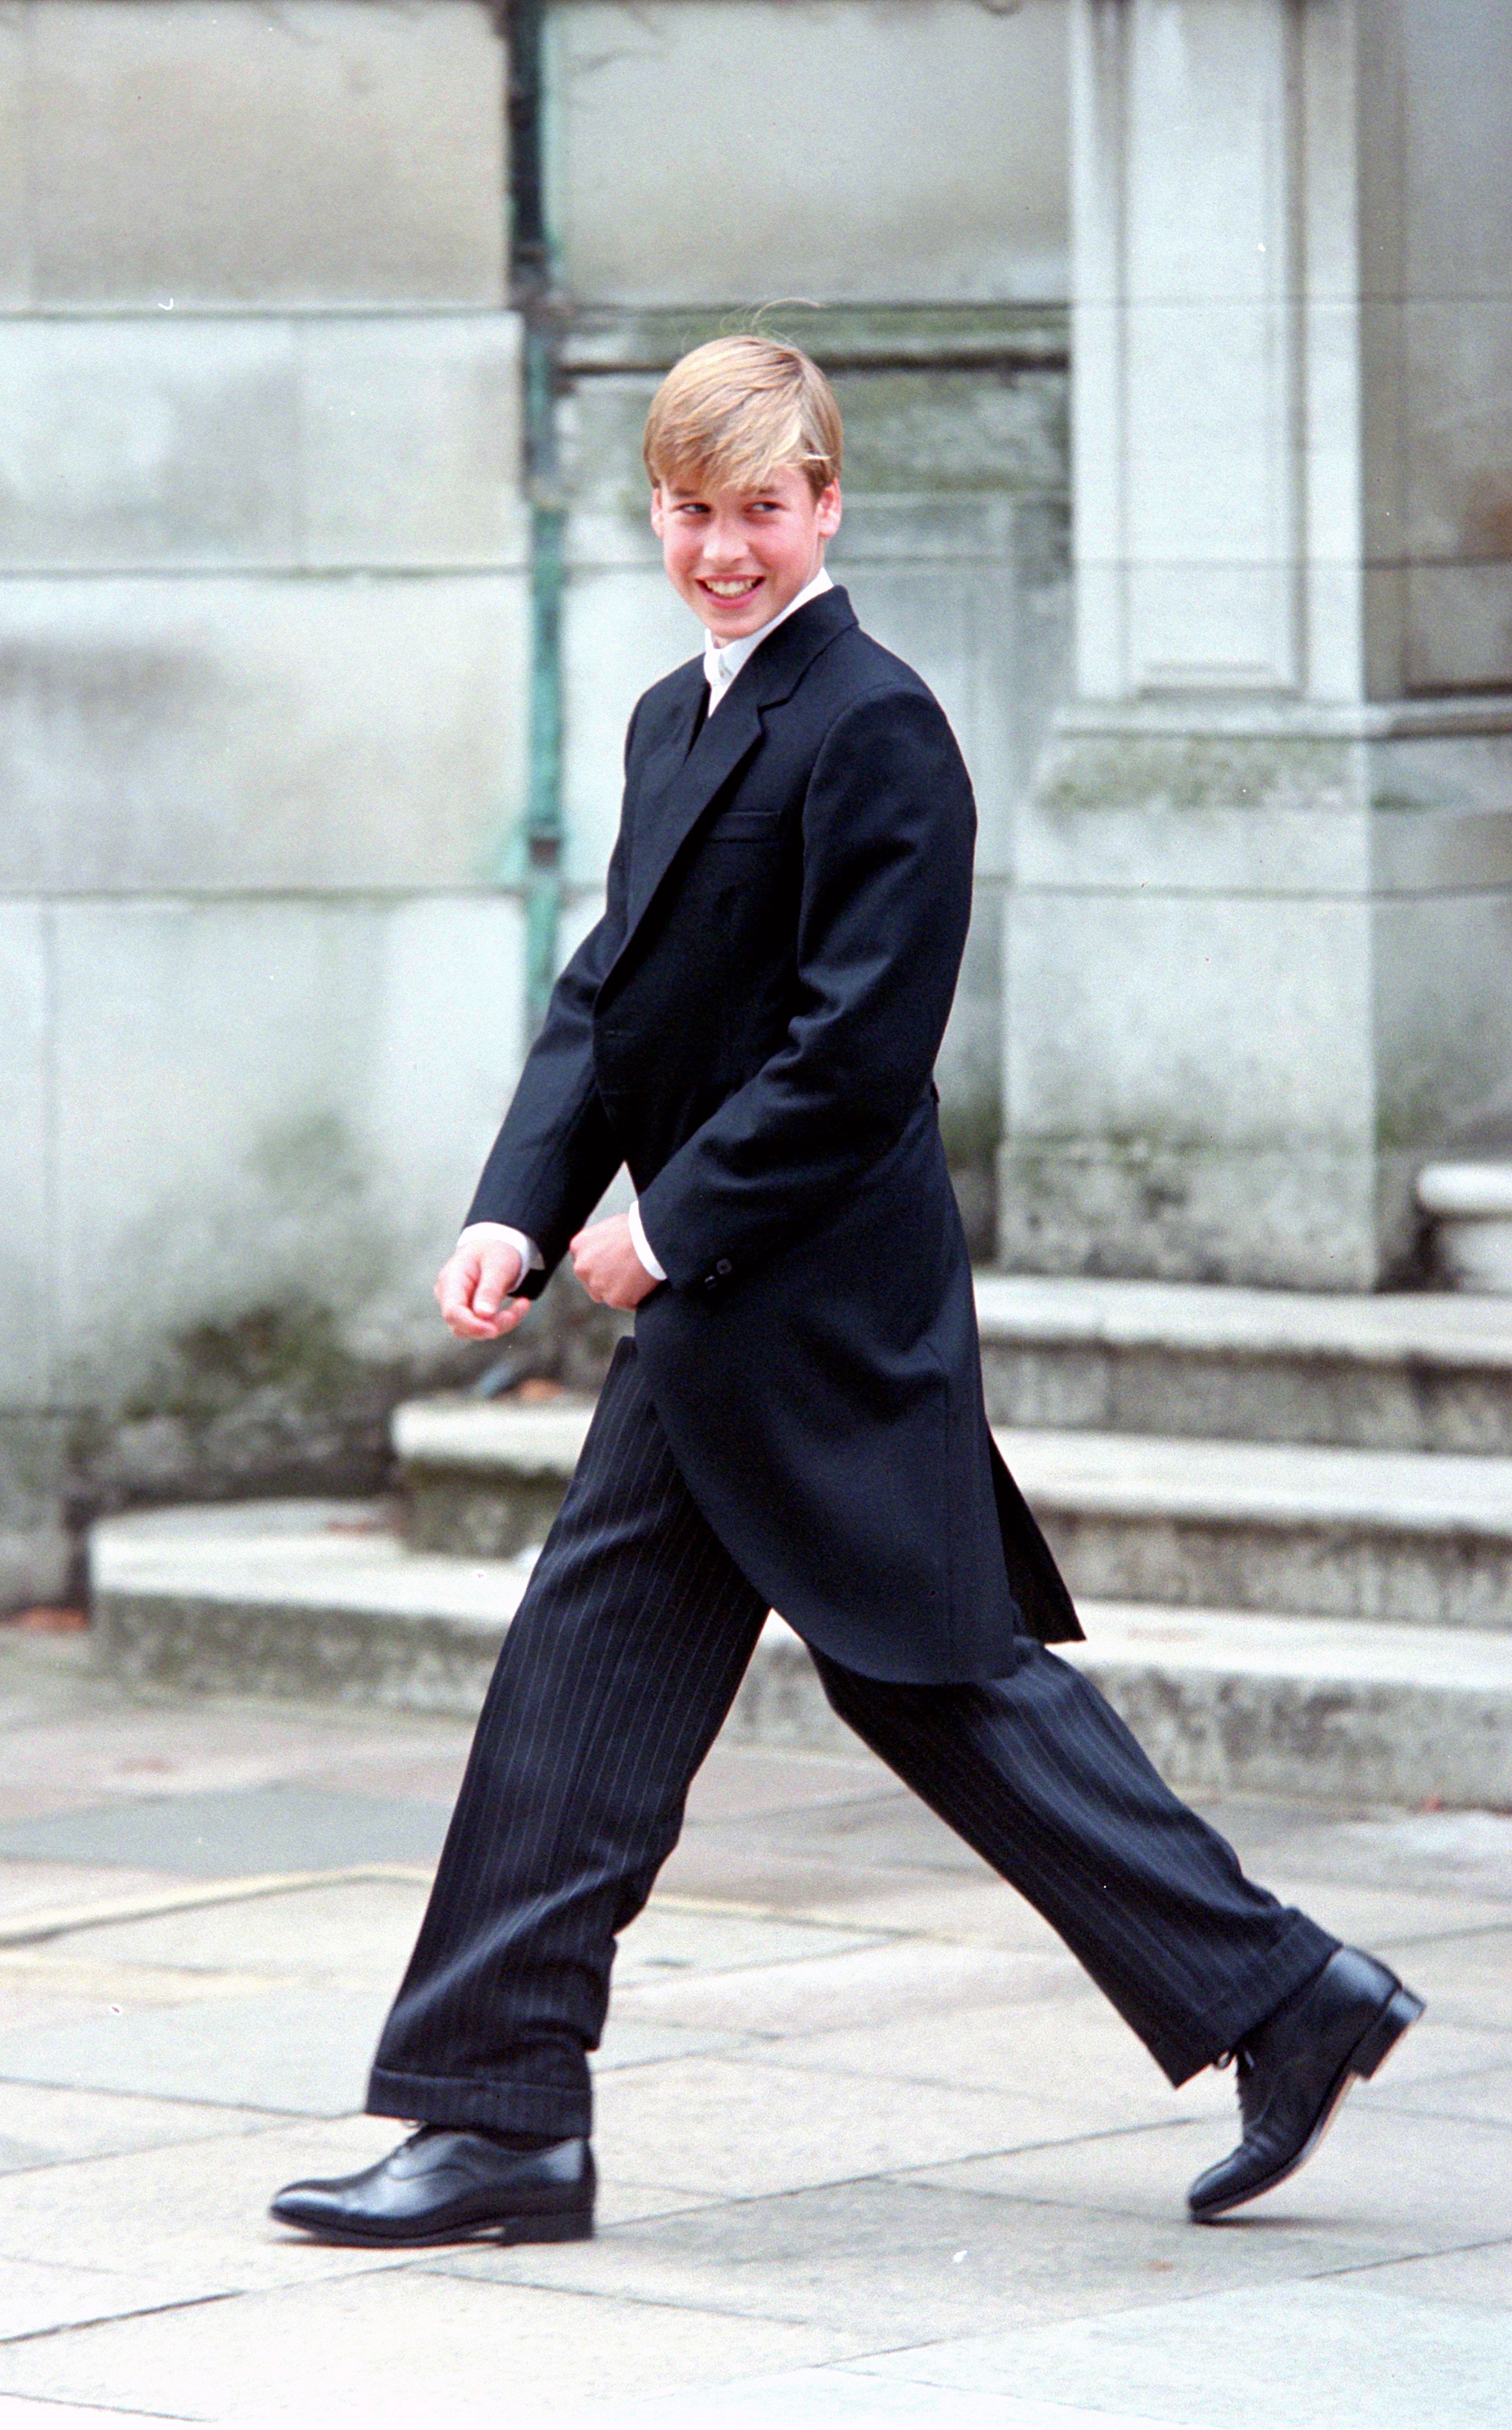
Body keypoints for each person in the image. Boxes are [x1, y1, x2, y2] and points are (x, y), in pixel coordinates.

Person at [271, 337, 1421, 2251]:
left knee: (935, 1684)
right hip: (721, 1316)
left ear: (828, 502)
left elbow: (858, 1052)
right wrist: (521, 1202)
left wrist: (671, 1218)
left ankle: (1280, 1991)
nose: (727, 548)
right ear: (659, 512)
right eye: (693, 512)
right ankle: (500, 2117)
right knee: (635, 1683)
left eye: (762, 510)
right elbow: (607, 1001)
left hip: (818, 1313)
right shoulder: (671, 722)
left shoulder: (877, 724)